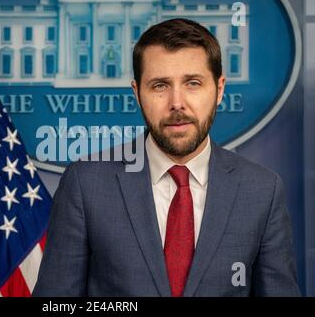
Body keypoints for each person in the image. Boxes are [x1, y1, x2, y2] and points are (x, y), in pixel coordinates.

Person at [33, 18, 300, 297]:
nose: (177, 103)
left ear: (219, 89)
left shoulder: (262, 190)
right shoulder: (85, 184)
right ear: (137, 94)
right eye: (160, 85)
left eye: (193, 83)